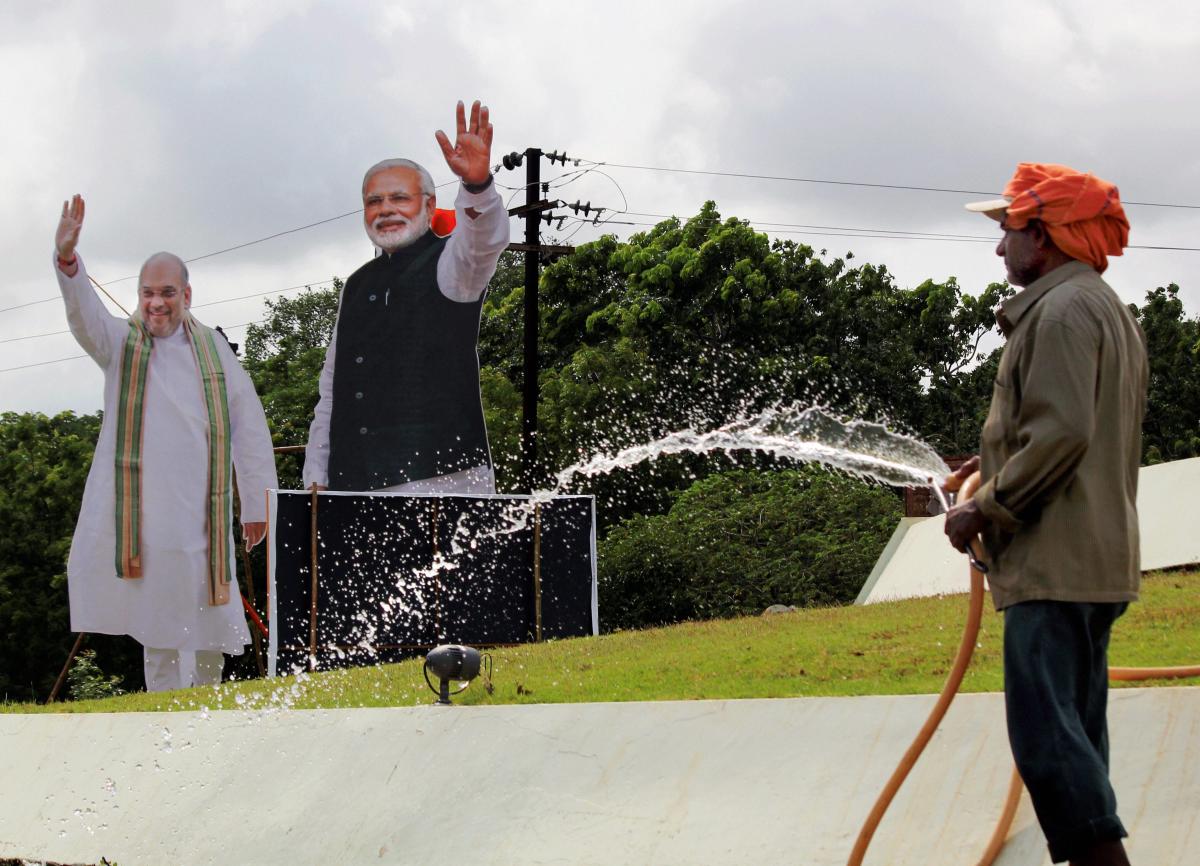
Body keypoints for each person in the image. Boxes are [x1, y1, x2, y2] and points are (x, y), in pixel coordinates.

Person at [945, 163, 1147, 866]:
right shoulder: (1099, 306)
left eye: (1008, 231)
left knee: (1047, 742)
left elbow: (1063, 434)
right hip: (1093, 558)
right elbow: (1067, 428)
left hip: (1054, 561)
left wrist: (987, 508)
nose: (1000, 248)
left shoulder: (1059, 313)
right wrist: (989, 465)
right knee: (1076, 737)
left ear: (1047, 234)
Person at [54, 195, 278, 692]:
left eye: (167, 292)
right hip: (147, 519)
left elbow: (248, 422)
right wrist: (68, 263)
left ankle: (211, 710)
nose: (156, 303)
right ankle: (161, 711)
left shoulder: (213, 348)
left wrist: (257, 504)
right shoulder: (120, 343)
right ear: (138, 295)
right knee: (157, 628)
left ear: (187, 295)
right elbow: (83, 319)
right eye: (148, 292)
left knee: (210, 626)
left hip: (204, 516)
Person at [303, 99, 509, 494]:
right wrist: (316, 472)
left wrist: (478, 187)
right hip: (354, 487)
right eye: (374, 201)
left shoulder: (451, 263)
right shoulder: (356, 284)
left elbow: (483, 242)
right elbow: (332, 388)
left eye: (399, 198)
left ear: (429, 205)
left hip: (441, 485)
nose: (386, 210)